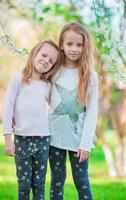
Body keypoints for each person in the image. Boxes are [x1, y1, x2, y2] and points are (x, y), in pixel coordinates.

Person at [3, 40, 59, 200]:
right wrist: (8, 138)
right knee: (24, 184)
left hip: (43, 139)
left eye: (51, 61)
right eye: (44, 55)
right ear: (35, 53)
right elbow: (8, 108)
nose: (46, 61)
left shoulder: (47, 85)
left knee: (39, 183)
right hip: (22, 140)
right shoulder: (18, 79)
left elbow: (56, 107)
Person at [49, 22, 98, 200]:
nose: (74, 49)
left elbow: (92, 112)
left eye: (79, 44)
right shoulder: (53, 71)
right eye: (69, 44)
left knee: (82, 182)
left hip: (79, 142)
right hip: (55, 138)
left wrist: (85, 144)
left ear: (85, 46)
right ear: (61, 45)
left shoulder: (90, 76)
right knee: (56, 181)